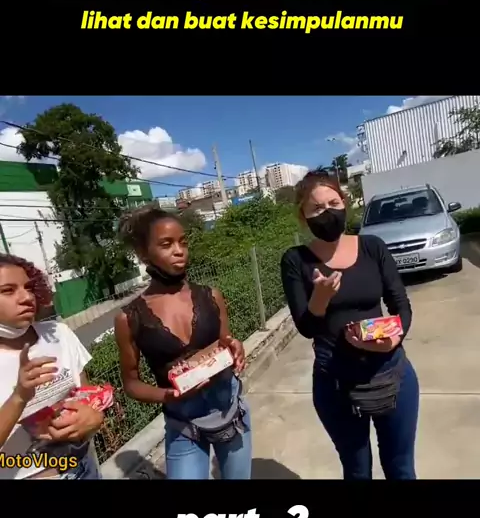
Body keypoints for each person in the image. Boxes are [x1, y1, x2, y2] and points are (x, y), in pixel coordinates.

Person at [281, 171, 419, 480]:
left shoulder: (372, 247)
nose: (327, 212)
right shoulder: (295, 260)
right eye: (317, 208)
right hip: (335, 383)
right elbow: (306, 327)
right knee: (357, 471)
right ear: (303, 216)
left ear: (344, 202)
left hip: (391, 372)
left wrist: (394, 339)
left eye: (333, 203)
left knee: (401, 468)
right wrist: (320, 298)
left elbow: (400, 305)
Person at [114, 205, 252, 480]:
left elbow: (226, 345)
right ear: (143, 253)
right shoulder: (129, 318)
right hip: (182, 425)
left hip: (230, 411)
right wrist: (169, 395)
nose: (179, 251)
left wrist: (236, 349)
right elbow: (131, 384)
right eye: (166, 244)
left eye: (183, 242)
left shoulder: (211, 296)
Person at [0, 253, 104, 480]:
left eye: (29, 288)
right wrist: (19, 397)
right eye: (8, 290)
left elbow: (86, 395)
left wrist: (95, 417)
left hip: (85, 465)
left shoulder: (59, 334)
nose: (26, 297)